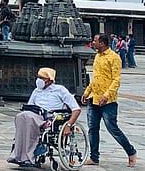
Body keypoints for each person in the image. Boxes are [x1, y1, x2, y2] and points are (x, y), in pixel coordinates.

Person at [9, 67, 82, 167]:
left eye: (42, 78)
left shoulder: (60, 90)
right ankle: (17, 155)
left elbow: (76, 109)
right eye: (38, 77)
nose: (38, 80)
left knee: (29, 118)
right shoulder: (36, 91)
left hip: (50, 117)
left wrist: (69, 125)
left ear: (49, 80)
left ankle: (29, 157)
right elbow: (30, 106)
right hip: (35, 114)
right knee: (21, 116)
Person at [83, 34, 136, 167]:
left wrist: (107, 95)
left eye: (95, 41)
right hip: (94, 98)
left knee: (112, 128)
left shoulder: (114, 57)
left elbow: (116, 80)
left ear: (102, 43)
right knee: (92, 129)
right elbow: (95, 78)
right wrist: (87, 91)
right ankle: (94, 157)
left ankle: (131, 151)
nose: (93, 43)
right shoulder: (97, 56)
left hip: (108, 101)